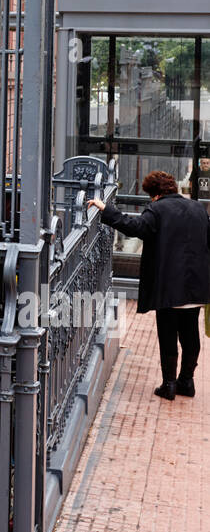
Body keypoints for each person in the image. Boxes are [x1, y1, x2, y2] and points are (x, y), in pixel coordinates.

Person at [90, 170, 210, 400]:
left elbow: (134, 227)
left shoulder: (157, 210)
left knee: (168, 336)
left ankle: (169, 385)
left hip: (168, 286)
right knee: (190, 336)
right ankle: (187, 381)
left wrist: (106, 210)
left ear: (154, 194)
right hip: (196, 284)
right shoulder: (198, 209)